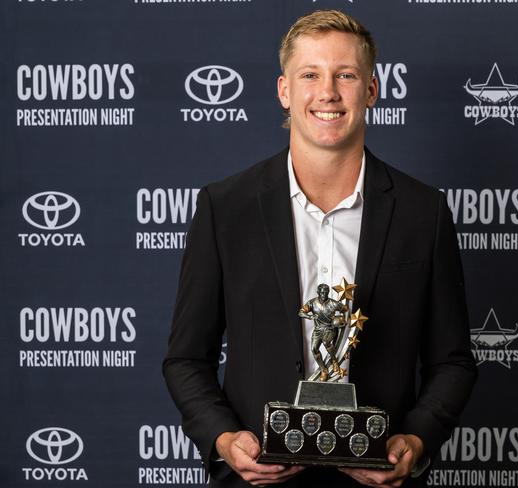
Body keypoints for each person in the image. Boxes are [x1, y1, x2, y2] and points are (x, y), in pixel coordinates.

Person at [163, 10, 477, 488]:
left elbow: (452, 361)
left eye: (346, 75)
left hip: (377, 481)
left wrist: (414, 440)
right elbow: (186, 358)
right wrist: (225, 440)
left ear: (371, 90)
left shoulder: (424, 212)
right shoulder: (224, 208)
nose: (327, 92)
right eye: (310, 74)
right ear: (284, 90)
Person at [298, 283, 348, 380]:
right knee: (313, 349)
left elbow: (345, 309)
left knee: (326, 342)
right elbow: (301, 312)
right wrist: (309, 316)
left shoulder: (333, 303)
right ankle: (324, 370)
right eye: (322, 292)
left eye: (326, 292)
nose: (324, 294)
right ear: (318, 292)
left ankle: (334, 361)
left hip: (329, 329)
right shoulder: (312, 303)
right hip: (318, 330)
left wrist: (339, 320)